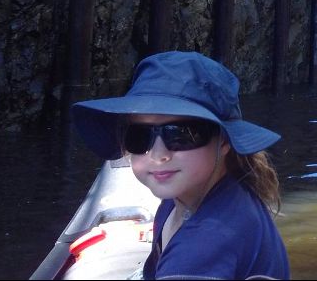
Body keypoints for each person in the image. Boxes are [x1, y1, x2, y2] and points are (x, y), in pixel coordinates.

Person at [72, 51, 290, 280]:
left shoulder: (200, 250)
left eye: (181, 135)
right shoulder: (203, 193)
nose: (158, 155)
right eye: (139, 136)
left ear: (224, 140)